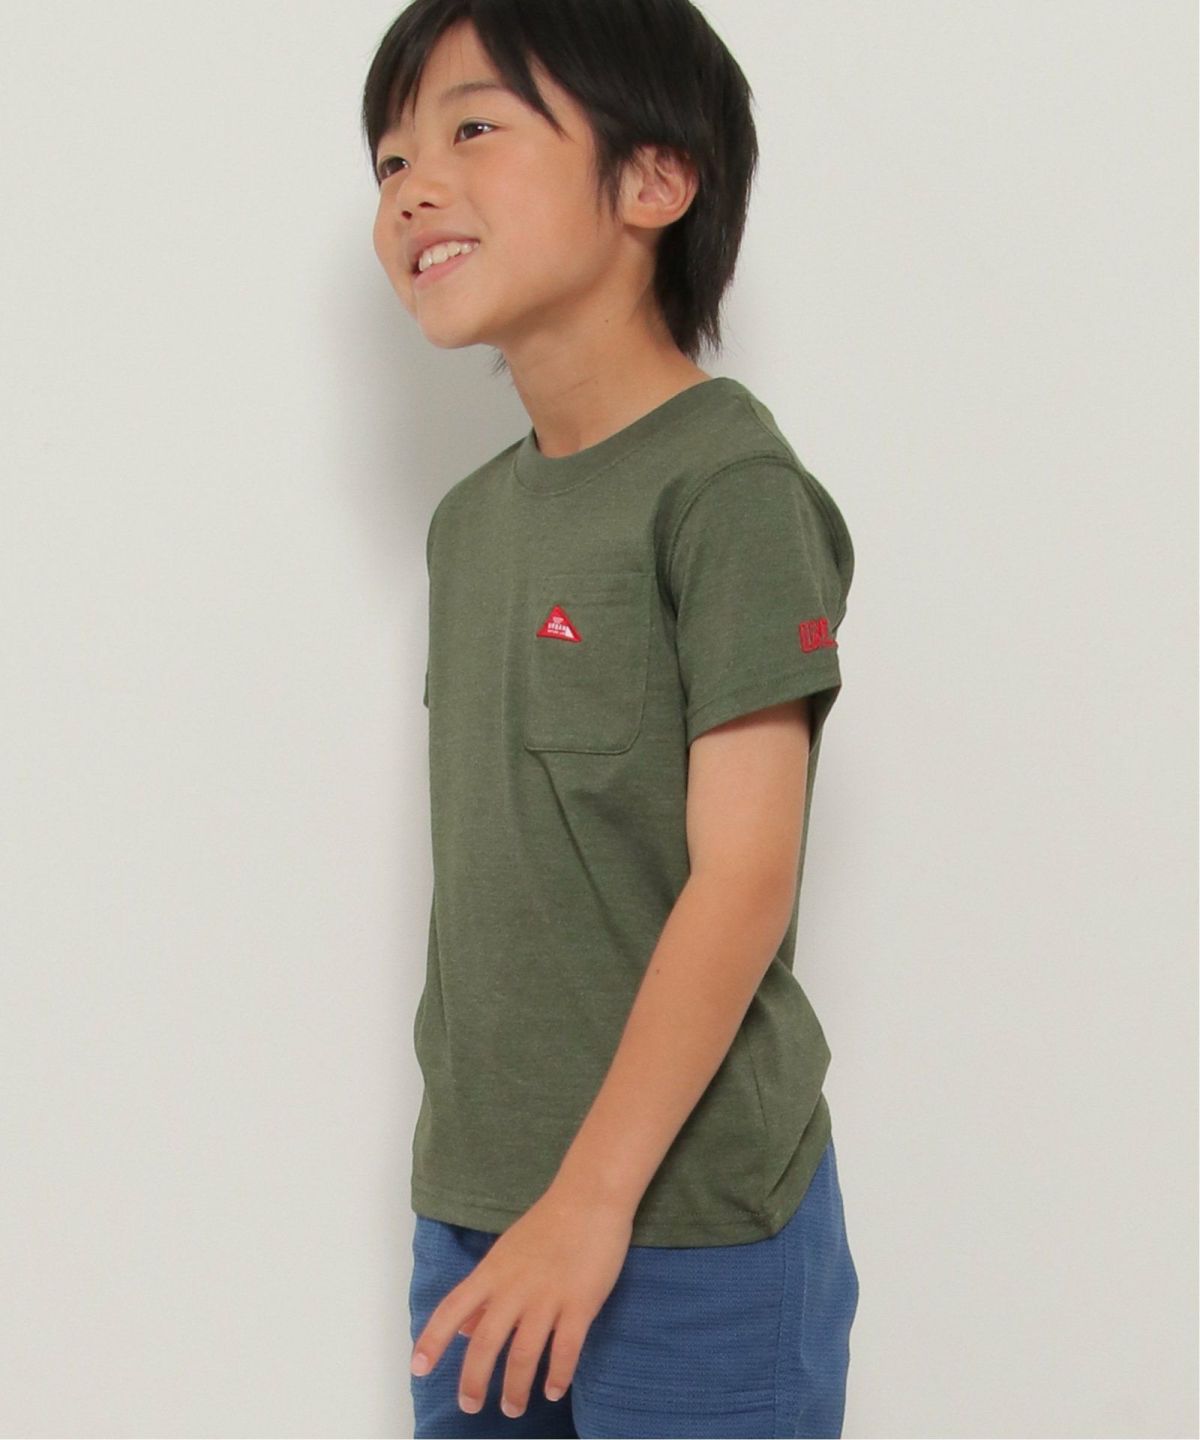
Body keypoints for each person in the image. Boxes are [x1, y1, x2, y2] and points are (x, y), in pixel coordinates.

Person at [362, 2, 860, 1434]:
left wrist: (590, 1205)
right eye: (388, 161)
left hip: (692, 1234)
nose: (412, 187)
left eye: (471, 127)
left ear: (654, 178)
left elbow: (745, 877)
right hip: (476, 1216)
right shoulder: (469, 524)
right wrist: (497, 1196)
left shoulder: (728, 489)